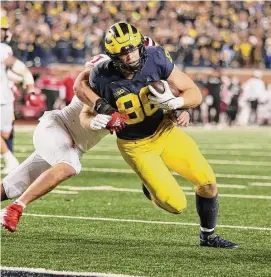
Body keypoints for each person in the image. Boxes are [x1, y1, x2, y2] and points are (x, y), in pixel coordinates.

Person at [0, 37, 191, 232]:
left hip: (74, 145)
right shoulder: (105, 70)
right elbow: (82, 89)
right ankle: (15, 209)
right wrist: (96, 118)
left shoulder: (147, 85)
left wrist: (179, 109)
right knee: (69, 166)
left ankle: (13, 201)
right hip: (58, 128)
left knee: (9, 187)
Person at [83, 22, 239, 248]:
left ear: (141, 45)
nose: (130, 56)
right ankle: (150, 187)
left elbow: (193, 92)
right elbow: (84, 115)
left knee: (207, 182)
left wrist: (178, 104)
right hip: (136, 145)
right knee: (176, 205)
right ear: (112, 56)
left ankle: (208, 236)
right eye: (123, 53)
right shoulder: (101, 75)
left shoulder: (156, 57)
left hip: (165, 131)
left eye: (133, 49)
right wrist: (94, 121)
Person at [0, 12, 36, 174]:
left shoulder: (4, 49)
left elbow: (19, 69)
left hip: (5, 97)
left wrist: (29, 86)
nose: (4, 32)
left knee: (5, 134)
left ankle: (8, 157)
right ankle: (9, 158)